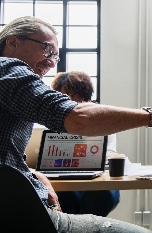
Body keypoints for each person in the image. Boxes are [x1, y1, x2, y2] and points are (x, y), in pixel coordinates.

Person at [0, 16, 152, 233]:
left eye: (55, 56)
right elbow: (78, 119)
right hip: (16, 217)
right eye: (47, 50)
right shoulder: (8, 69)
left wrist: (31, 173)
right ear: (13, 42)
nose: (53, 62)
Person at [51, 71, 121, 217]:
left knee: (100, 195)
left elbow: (110, 153)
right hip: (65, 179)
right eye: (60, 96)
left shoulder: (103, 118)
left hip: (99, 179)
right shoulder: (54, 121)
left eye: (71, 95)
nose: (65, 100)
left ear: (84, 95)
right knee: (62, 196)